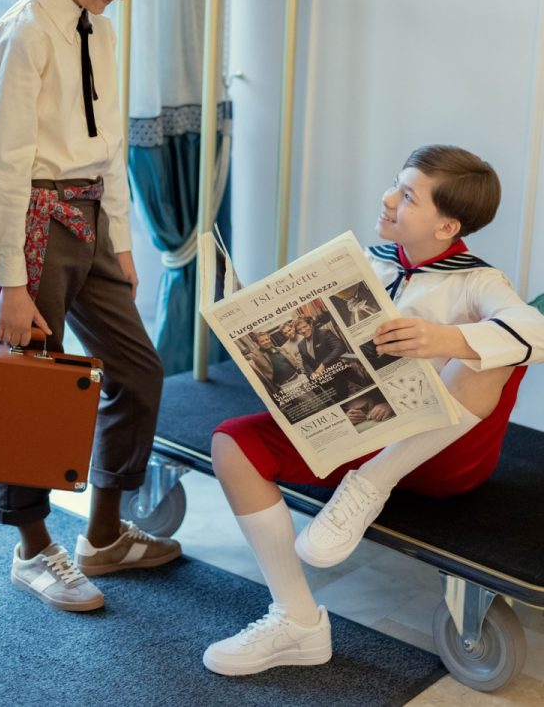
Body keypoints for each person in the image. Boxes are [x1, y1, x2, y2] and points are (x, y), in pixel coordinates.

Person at [202, 144, 544, 676]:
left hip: (439, 454)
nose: (387, 199)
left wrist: (447, 339)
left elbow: (536, 332)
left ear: (447, 226)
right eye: (395, 184)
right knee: (232, 444)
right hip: (360, 430)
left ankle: (370, 486)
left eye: (407, 196)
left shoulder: (478, 281)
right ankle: (296, 621)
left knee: (485, 358)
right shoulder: (362, 261)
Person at [0, 0, 181, 613]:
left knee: (138, 371)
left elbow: (109, 143)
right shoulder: (26, 31)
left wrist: (119, 238)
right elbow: (4, 167)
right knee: (33, 386)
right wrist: (10, 284)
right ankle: (32, 548)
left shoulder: (102, 29)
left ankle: (102, 534)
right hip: (36, 219)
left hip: (91, 219)